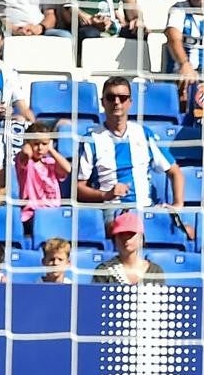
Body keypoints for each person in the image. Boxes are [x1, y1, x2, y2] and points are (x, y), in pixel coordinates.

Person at [76, 77, 184, 224]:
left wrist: (178, 204)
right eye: (111, 97)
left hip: (145, 209)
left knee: (188, 232)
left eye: (122, 97)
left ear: (130, 102)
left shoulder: (144, 134)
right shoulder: (91, 139)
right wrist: (105, 195)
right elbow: (78, 188)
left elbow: (174, 171)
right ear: (102, 102)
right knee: (128, 231)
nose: (116, 102)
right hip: (113, 210)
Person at [14, 119, 70, 224]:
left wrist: (51, 150)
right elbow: (26, 153)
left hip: (53, 211)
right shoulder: (26, 163)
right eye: (36, 144)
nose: (40, 148)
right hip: (32, 213)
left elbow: (67, 168)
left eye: (44, 144)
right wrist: (26, 144)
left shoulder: (50, 162)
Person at [93, 211, 165, 285]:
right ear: (114, 239)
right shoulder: (104, 270)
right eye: (121, 234)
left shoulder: (155, 271)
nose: (126, 239)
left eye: (131, 234)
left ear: (141, 238)